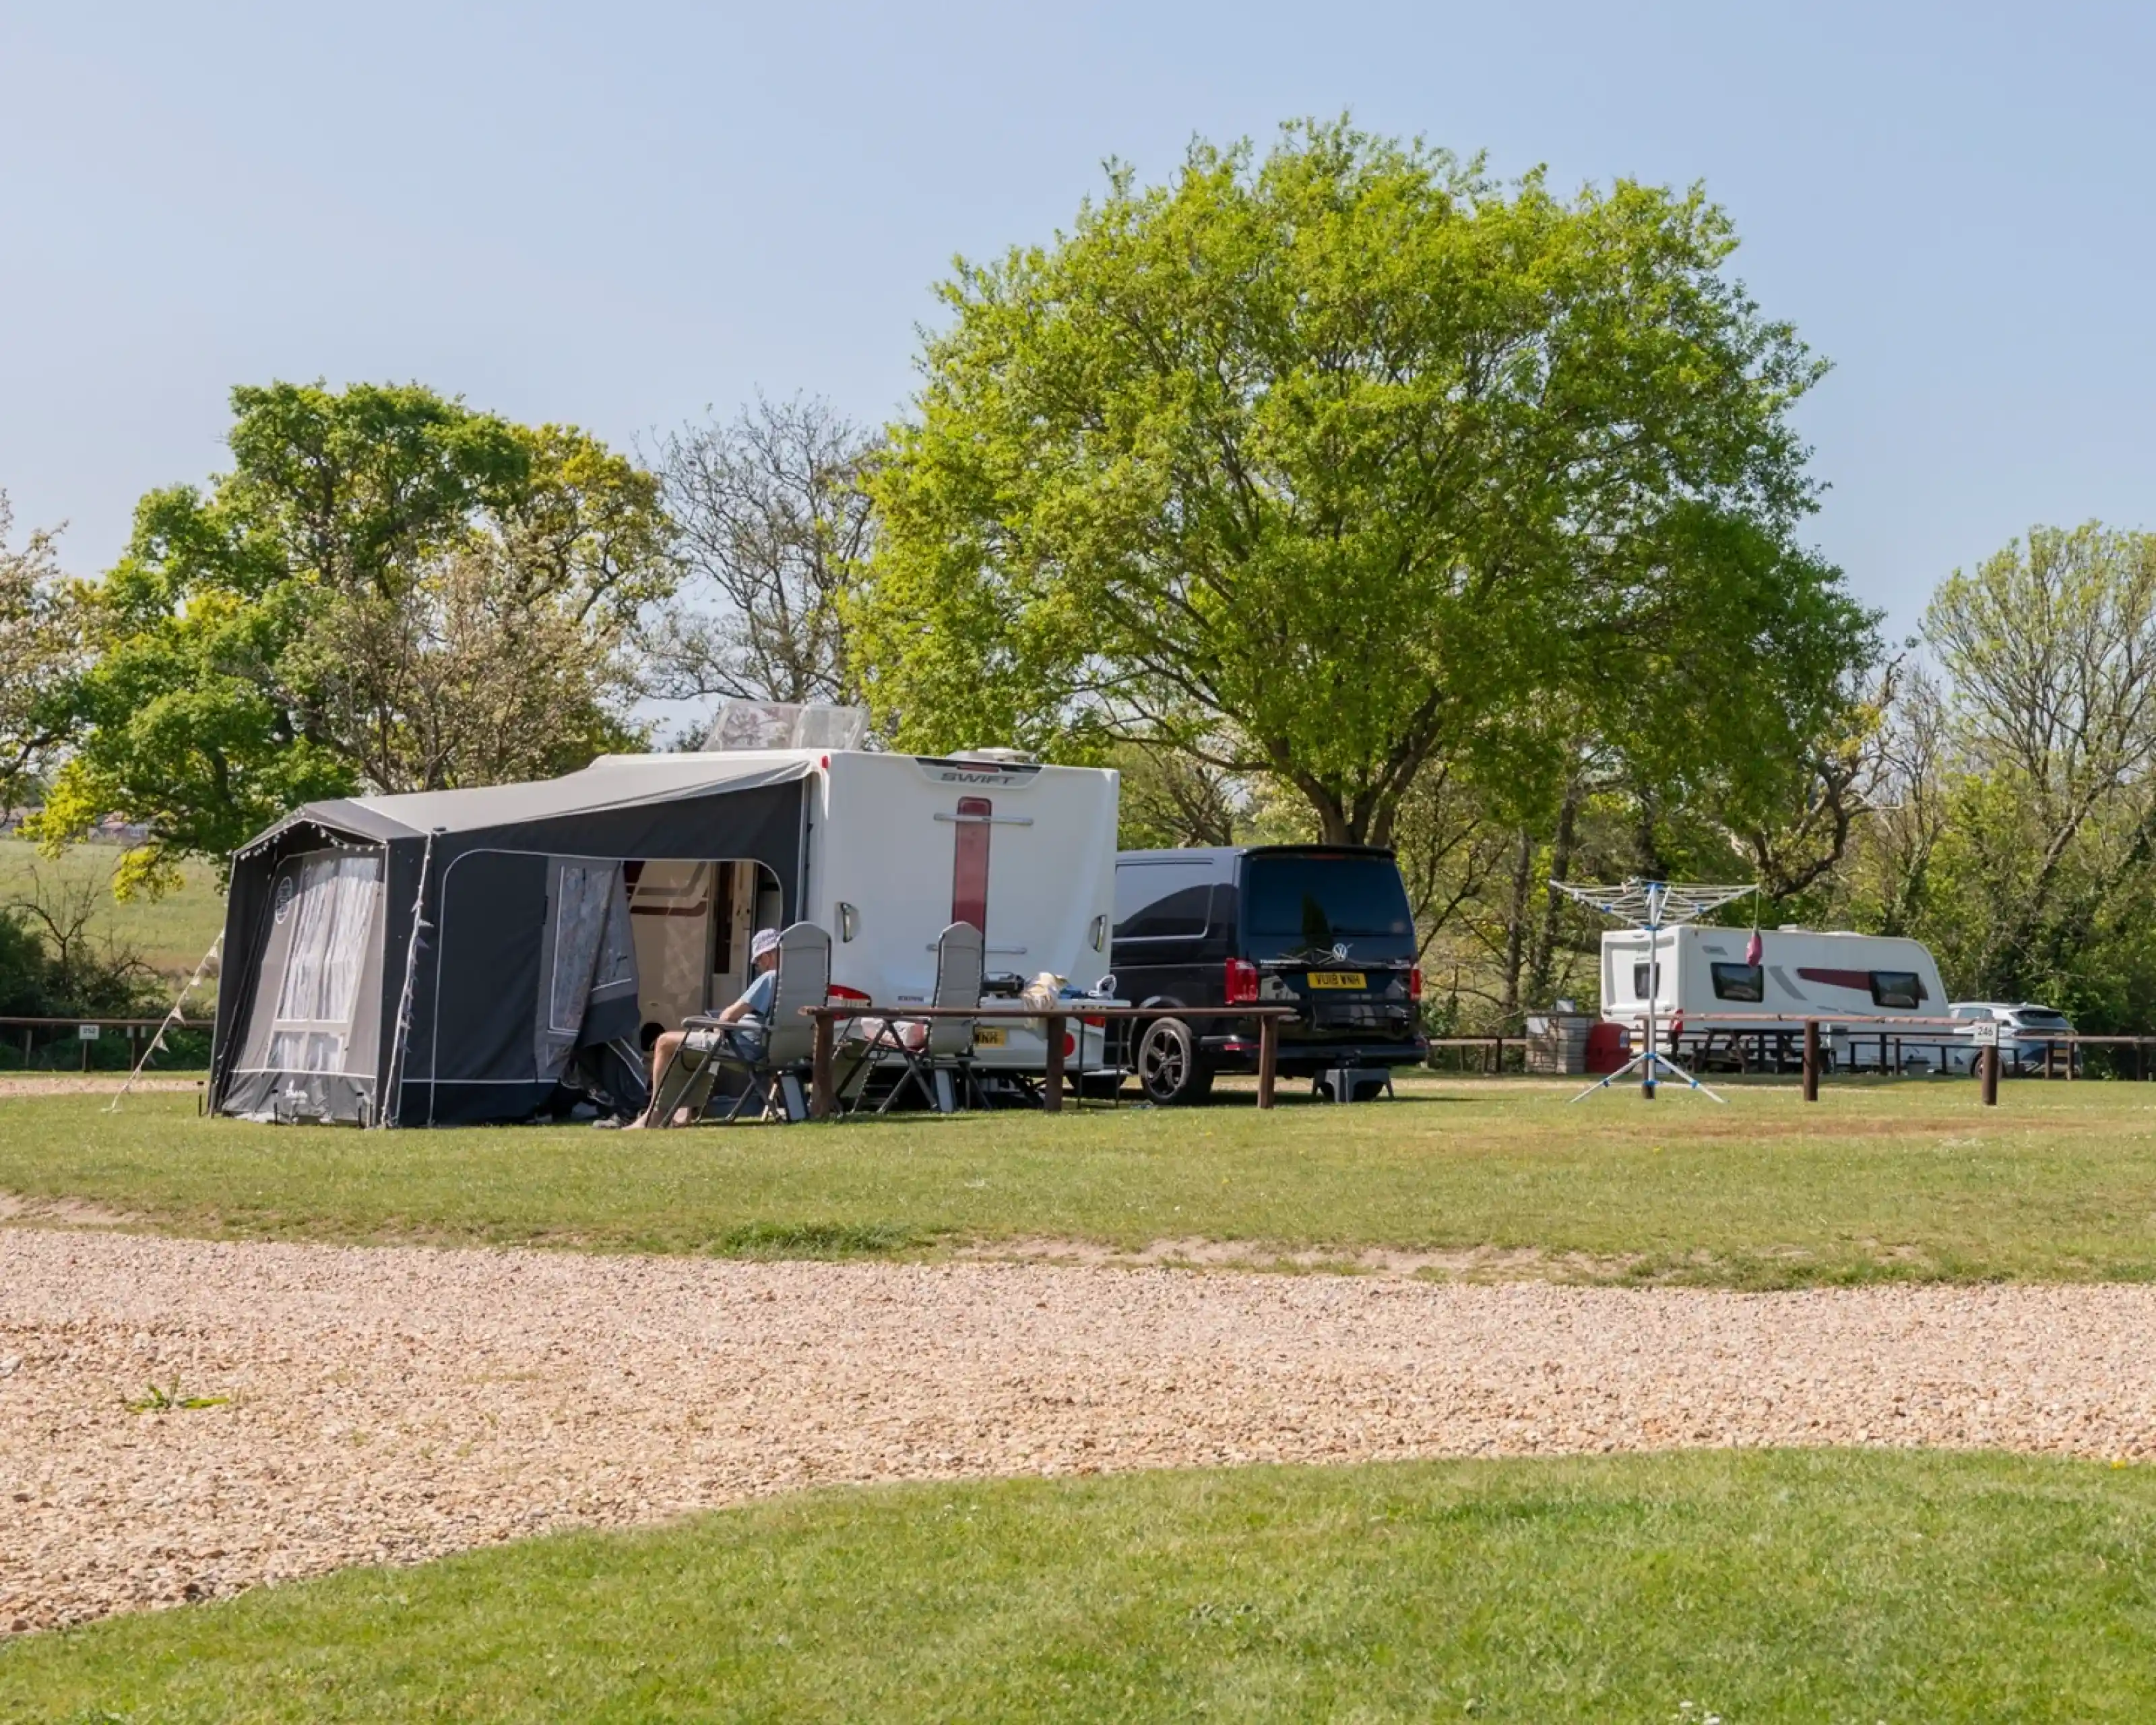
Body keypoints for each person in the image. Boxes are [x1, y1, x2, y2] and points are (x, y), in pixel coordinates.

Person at [630, 927, 781, 1127]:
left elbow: (729, 1015)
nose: (760, 967)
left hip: (747, 1050)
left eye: (759, 961)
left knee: (665, 1042)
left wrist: (715, 1028)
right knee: (695, 1049)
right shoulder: (798, 982)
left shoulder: (770, 978)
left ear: (768, 956)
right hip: (776, 1052)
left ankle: (654, 1114)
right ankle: (683, 1115)